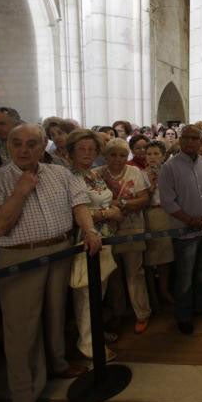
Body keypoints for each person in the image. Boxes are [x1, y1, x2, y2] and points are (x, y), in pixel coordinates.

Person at [0, 123, 100, 402]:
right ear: (8, 146)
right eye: (17, 143)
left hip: (59, 252)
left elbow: (79, 202)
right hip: (19, 256)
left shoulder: (59, 174)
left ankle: (57, 363)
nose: (24, 150)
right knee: (21, 329)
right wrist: (20, 192)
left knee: (56, 314)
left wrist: (89, 228)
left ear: (43, 145)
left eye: (32, 144)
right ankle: (23, 396)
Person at [159, 125, 202, 335]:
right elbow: (168, 202)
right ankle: (184, 315)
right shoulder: (170, 167)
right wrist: (191, 220)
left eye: (196, 138)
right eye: (187, 138)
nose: (191, 142)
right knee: (185, 276)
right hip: (185, 231)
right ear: (181, 139)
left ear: (201, 140)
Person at [66, 129, 121, 362]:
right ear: (71, 151)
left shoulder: (94, 174)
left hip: (105, 236)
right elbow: (71, 210)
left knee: (99, 291)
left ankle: (95, 332)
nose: (87, 153)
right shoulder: (68, 176)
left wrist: (114, 209)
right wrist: (107, 213)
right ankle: (88, 343)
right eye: (82, 149)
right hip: (84, 239)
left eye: (92, 149)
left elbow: (107, 199)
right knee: (86, 293)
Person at [96, 138, 152, 334]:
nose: (118, 159)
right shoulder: (97, 174)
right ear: (105, 155)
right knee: (113, 275)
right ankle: (118, 312)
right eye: (113, 154)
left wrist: (124, 205)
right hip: (106, 231)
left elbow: (145, 198)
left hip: (132, 228)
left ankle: (142, 313)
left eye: (122, 155)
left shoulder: (135, 172)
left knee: (135, 273)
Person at [143, 140, 175, 306]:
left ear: (163, 156)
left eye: (156, 154)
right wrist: (150, 185)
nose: (152, 157)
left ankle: (164, 290)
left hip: (164, 214)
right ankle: (151, 295)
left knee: (164, 256)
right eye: (149, 154)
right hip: (148, 214)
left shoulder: (169, 172)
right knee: (148, 258)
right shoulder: (140, 173)